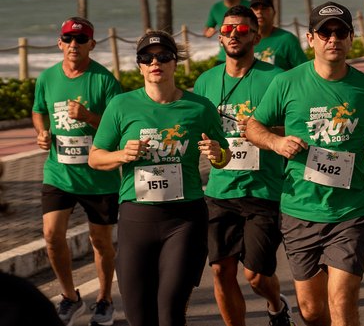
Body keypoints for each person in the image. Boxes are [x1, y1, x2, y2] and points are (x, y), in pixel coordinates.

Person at [246, 1, 364, 326]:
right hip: (299, 209)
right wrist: (276, 141)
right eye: (325, 32)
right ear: (310, 38)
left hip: (351, 210)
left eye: (340, 31)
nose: (333, 38)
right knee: (313, 312)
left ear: (351, 37)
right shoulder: (286, 83)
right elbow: (253, 126)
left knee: (342, 303)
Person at [89, 31, 230, 326]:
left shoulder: (199, 107)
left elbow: (223, 157)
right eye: (147, 57)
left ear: (174, 63)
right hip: (136, 218)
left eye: (163, 56)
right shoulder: (121, 105)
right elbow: (95, 157)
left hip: (184, 219)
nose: (156, 62)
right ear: (139, 65)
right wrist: (121, 155)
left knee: (169, 313)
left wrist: (217, 153)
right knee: (139, 317)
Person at [193, 6, 294, 326]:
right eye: (226, 30)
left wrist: (262, 132)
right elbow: (197, 130)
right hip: (220, 189)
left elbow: (296, 128)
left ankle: (277, 306)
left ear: (256, 35)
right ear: (219, 37)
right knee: (221, 270)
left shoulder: (276, 78)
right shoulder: (206, 81)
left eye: (241, 30)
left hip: (263, 189)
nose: (233, 35)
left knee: (256, 276)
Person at [32, 17, 121, 326]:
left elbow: (117, 127)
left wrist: (87, 115)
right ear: (60, 43)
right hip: (59, 173)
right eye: (68, 39)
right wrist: (42, 133)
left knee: (101, 242)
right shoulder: (47, 78)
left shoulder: (105, 80)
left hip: (99, 176)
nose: (73, 45)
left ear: (91, 45)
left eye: (80, 40)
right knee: (52, 235)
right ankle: (70, 297)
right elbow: (38, 110)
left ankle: (105, 300)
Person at [249, 0, 308, 71]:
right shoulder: (243, 39)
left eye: (264, 8)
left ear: (274, 13)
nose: (259, 12)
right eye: (255, 8)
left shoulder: (287, 39)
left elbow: (303, 71)